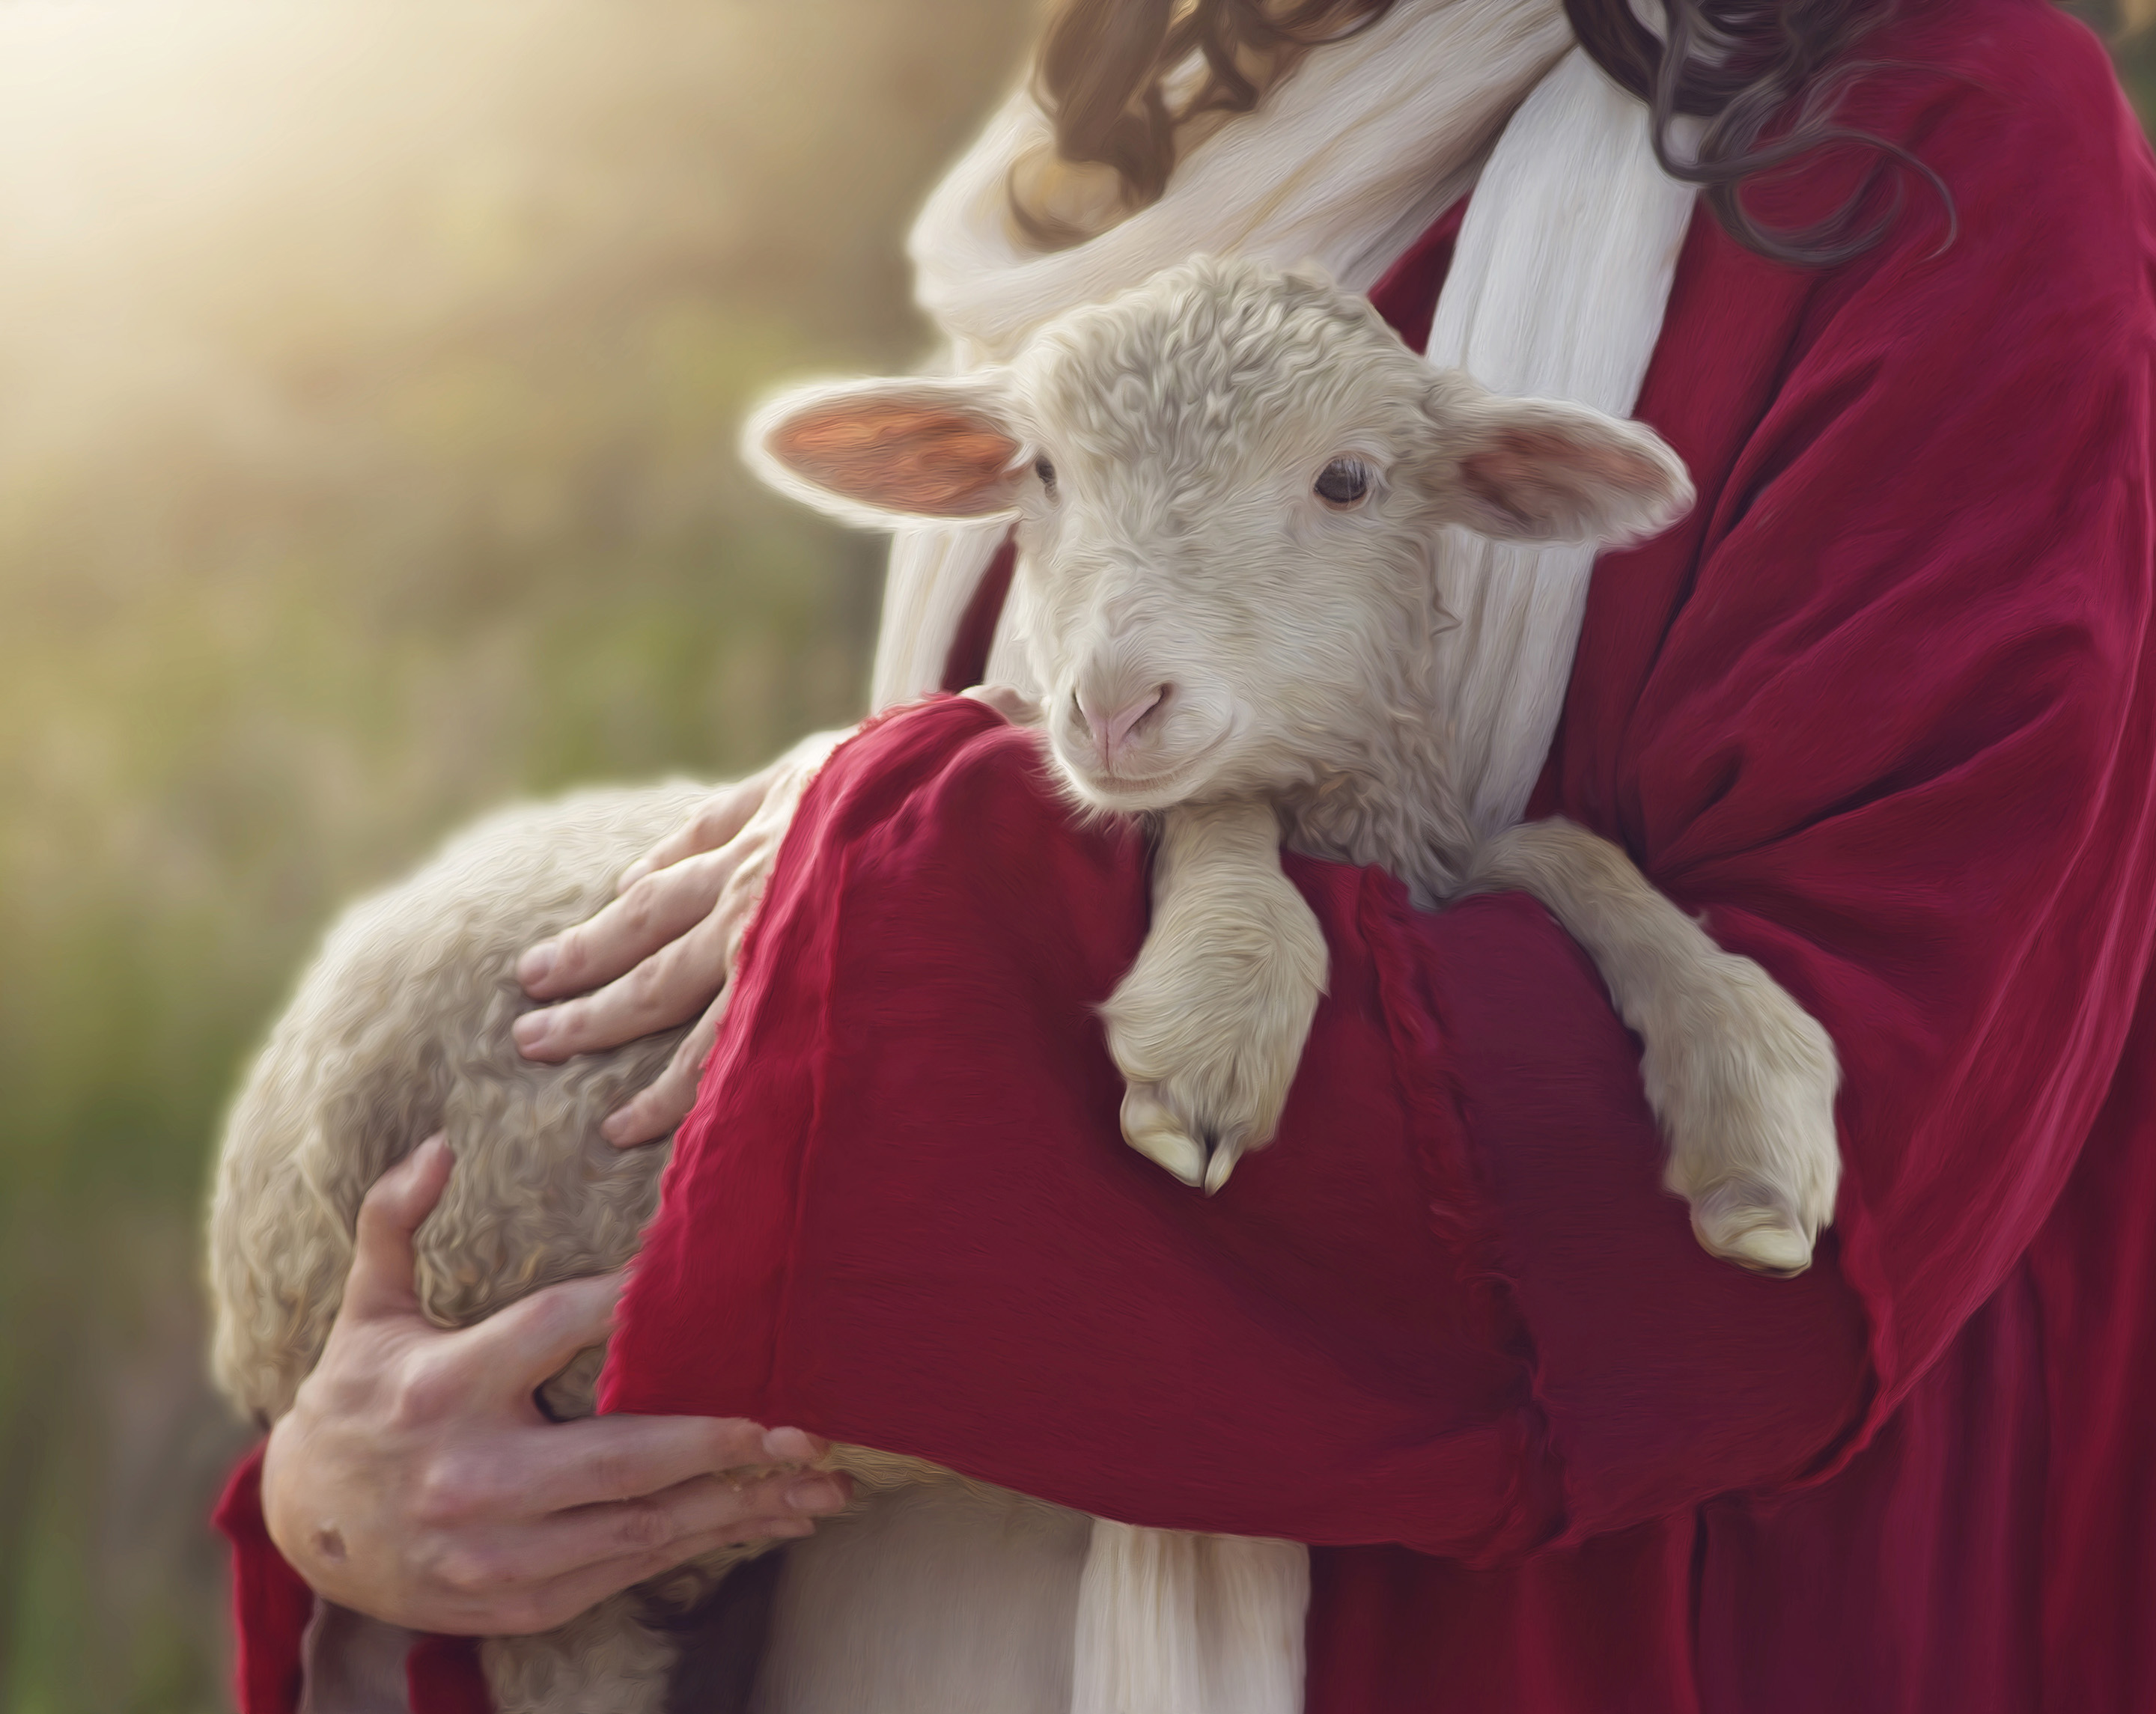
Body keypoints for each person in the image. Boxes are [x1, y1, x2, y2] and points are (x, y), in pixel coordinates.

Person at [228, 0, 2156, 1707]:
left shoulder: (1938, 139)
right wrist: (381, 1490)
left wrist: (894, 867)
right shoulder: (1132, 169)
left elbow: (1817, 1199)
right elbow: (712, 1145)